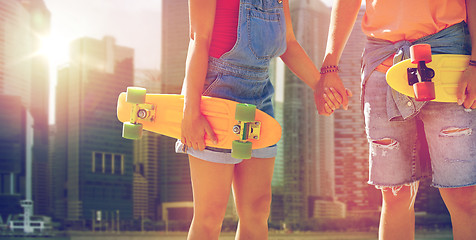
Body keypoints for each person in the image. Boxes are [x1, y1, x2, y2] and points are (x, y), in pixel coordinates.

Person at [176, 0, 343, 239]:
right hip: (216, 93)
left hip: (260, 97)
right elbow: (198, 39)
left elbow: (288, 43)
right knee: (210, 214)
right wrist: (191, 111)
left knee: (258, 208)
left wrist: (319, 85)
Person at [317, 0, 476, 239]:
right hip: (383, 62)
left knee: (464, 194)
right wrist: (329, 67)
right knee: (395, 193)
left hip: (449, 57)